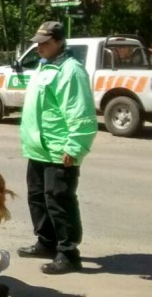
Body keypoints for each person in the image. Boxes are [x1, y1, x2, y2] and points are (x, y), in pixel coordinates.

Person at [18, 21, 97, 274]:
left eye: (45, 42)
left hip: (59, 149)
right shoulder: (45, 66)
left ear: (60, 41)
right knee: (38, 198)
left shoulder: (71, 70)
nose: (39, 47)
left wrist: (74, 147)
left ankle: (68, 253)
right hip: (38, 148)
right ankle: (46, 242)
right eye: (38, 42)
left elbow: (81, 113)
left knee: (59, 201)